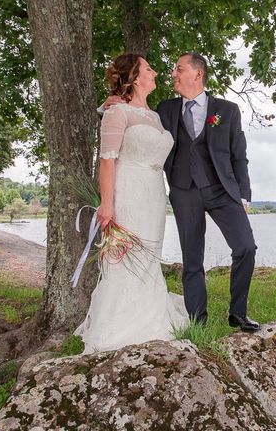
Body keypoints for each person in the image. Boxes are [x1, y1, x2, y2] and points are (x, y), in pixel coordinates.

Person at [75, 53, 189, 353]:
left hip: (154, 195)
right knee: (125, 258)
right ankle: (118, 325)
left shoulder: (156, 116)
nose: (155, 73)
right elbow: (107, 161)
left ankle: (152, 313)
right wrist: (107, 205)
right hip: (127, 193)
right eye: (149, 69)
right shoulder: (117, 112)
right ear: (136, 77)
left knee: (149, 255)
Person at [156, 52, 260, 332]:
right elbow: (138, 120)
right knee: (192, 258)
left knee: (245, 247)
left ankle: (238, 313)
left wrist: (244, 194)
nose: (173, 74)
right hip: (183, 190)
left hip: (222, 189)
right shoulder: (164, 109)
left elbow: (239, 156)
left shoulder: (227, 110)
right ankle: (197, 322)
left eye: (179, 69)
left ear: (197, 74)